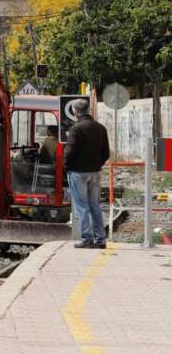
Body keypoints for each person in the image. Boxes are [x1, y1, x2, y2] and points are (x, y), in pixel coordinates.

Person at [65, 99, 110, 249]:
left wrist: (67, 167)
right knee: (95, 206)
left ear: (75, 112)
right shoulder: (100, 128)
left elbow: (69, 152)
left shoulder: (76, 129)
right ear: (88, 110)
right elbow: (106, 153)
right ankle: (101, 239)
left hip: (78, 173)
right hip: (95, 173)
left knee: (81, 207)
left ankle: (87, 239)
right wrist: (97, 165)